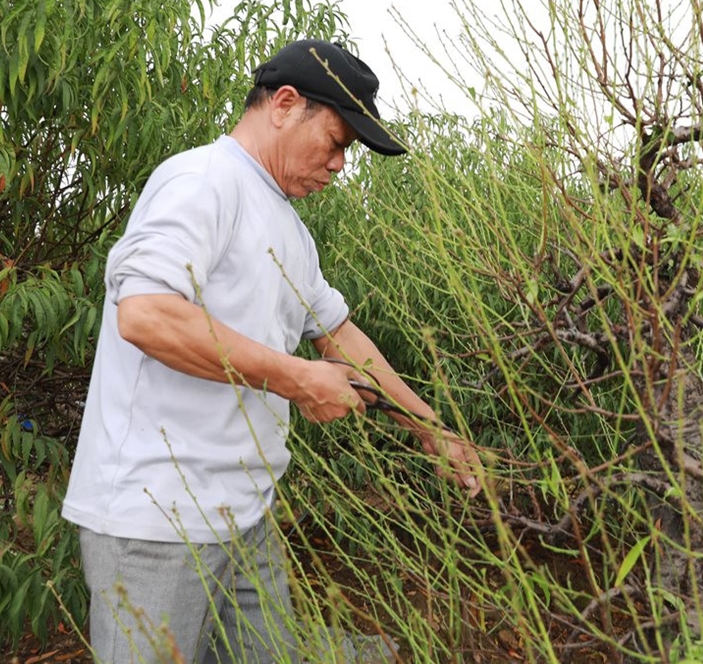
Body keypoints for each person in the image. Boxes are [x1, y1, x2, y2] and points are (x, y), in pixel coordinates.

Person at [61, 40, 483, 663]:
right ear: (285, 104)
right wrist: (295, 379)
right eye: (338, 141)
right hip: (156, 524)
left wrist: (429, 428)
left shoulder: (288, 226)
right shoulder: (203, 180)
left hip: (244, 521)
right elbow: (148, 314)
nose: (341, 163)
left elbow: (337, 336)